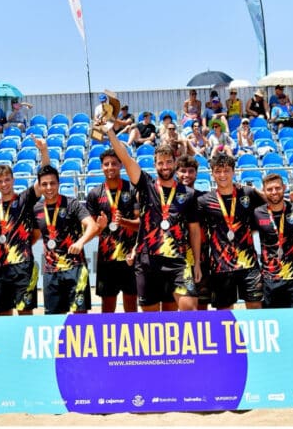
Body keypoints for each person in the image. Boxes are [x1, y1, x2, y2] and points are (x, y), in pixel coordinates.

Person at [106, 125, 201, 312]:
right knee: (151, 319)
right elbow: (125, 158)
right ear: (154, 164)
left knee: (190, 310)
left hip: (178, 261)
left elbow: (194, 230)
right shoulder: (145, 184)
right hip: (148, 260)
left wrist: (196, 262)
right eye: (160, 163)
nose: (165, 166)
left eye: (168, 162)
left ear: (175, 163)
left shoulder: (188, 194)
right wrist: (110, 132)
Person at [0, 139, 50, 316]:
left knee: (25, 312)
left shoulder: (24, 199)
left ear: (13, 180)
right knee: (3, 314)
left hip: (22, 265)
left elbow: (44, 177)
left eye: (7, 180)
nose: (4, 184)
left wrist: (44, 151)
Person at [196, 153, 265, 310]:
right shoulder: (204, 201)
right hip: (221, 266)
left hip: (248, 264)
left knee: (255, 309)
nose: (222, 175)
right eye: (218, 171)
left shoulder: (248, 194)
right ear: (212, 174)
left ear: (234, 172)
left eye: (226, 170)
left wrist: (255, 189)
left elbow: (273, 206)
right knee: (225, 314)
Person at [33, 165, 98, 314]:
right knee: (54, 318)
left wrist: (80, 242)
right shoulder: (36, 209)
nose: (49, 187)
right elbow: (34, 235)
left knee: (79, 317)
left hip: (75, 268)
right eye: (44, 184)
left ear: (58, 183)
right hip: (51, 271)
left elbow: (92, 226)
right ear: (40, 186)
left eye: (52, 183)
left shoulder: (72, 204)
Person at [86, 149, 140, 313]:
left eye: (114, 164)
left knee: (131, 303)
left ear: (121, 165)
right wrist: (100, 227)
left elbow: (141, 225)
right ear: (101, 167)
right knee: (107, 306)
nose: (110, 167)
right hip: (106, 259)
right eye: (106, 164)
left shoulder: (132, 189)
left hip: (130, 256)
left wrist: (123, 222)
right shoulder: (94, 194)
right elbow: (90, 231)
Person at [253, 174, 293, 308]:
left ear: (284, 188)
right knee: (272, 320)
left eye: (277, 188)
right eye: (269, 189)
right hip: (270, 280)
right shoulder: (257, 213)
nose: (274, 192)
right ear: (264, 191)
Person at [175, 155, 210, 310]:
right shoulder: (170, 197)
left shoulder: (204, 197)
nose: (186, 175)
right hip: (177, 259)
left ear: (196, 174)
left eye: (191, 171)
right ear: (176, 172)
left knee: (202, 305)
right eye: (183, 171)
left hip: (201, 259)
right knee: (176, 304)